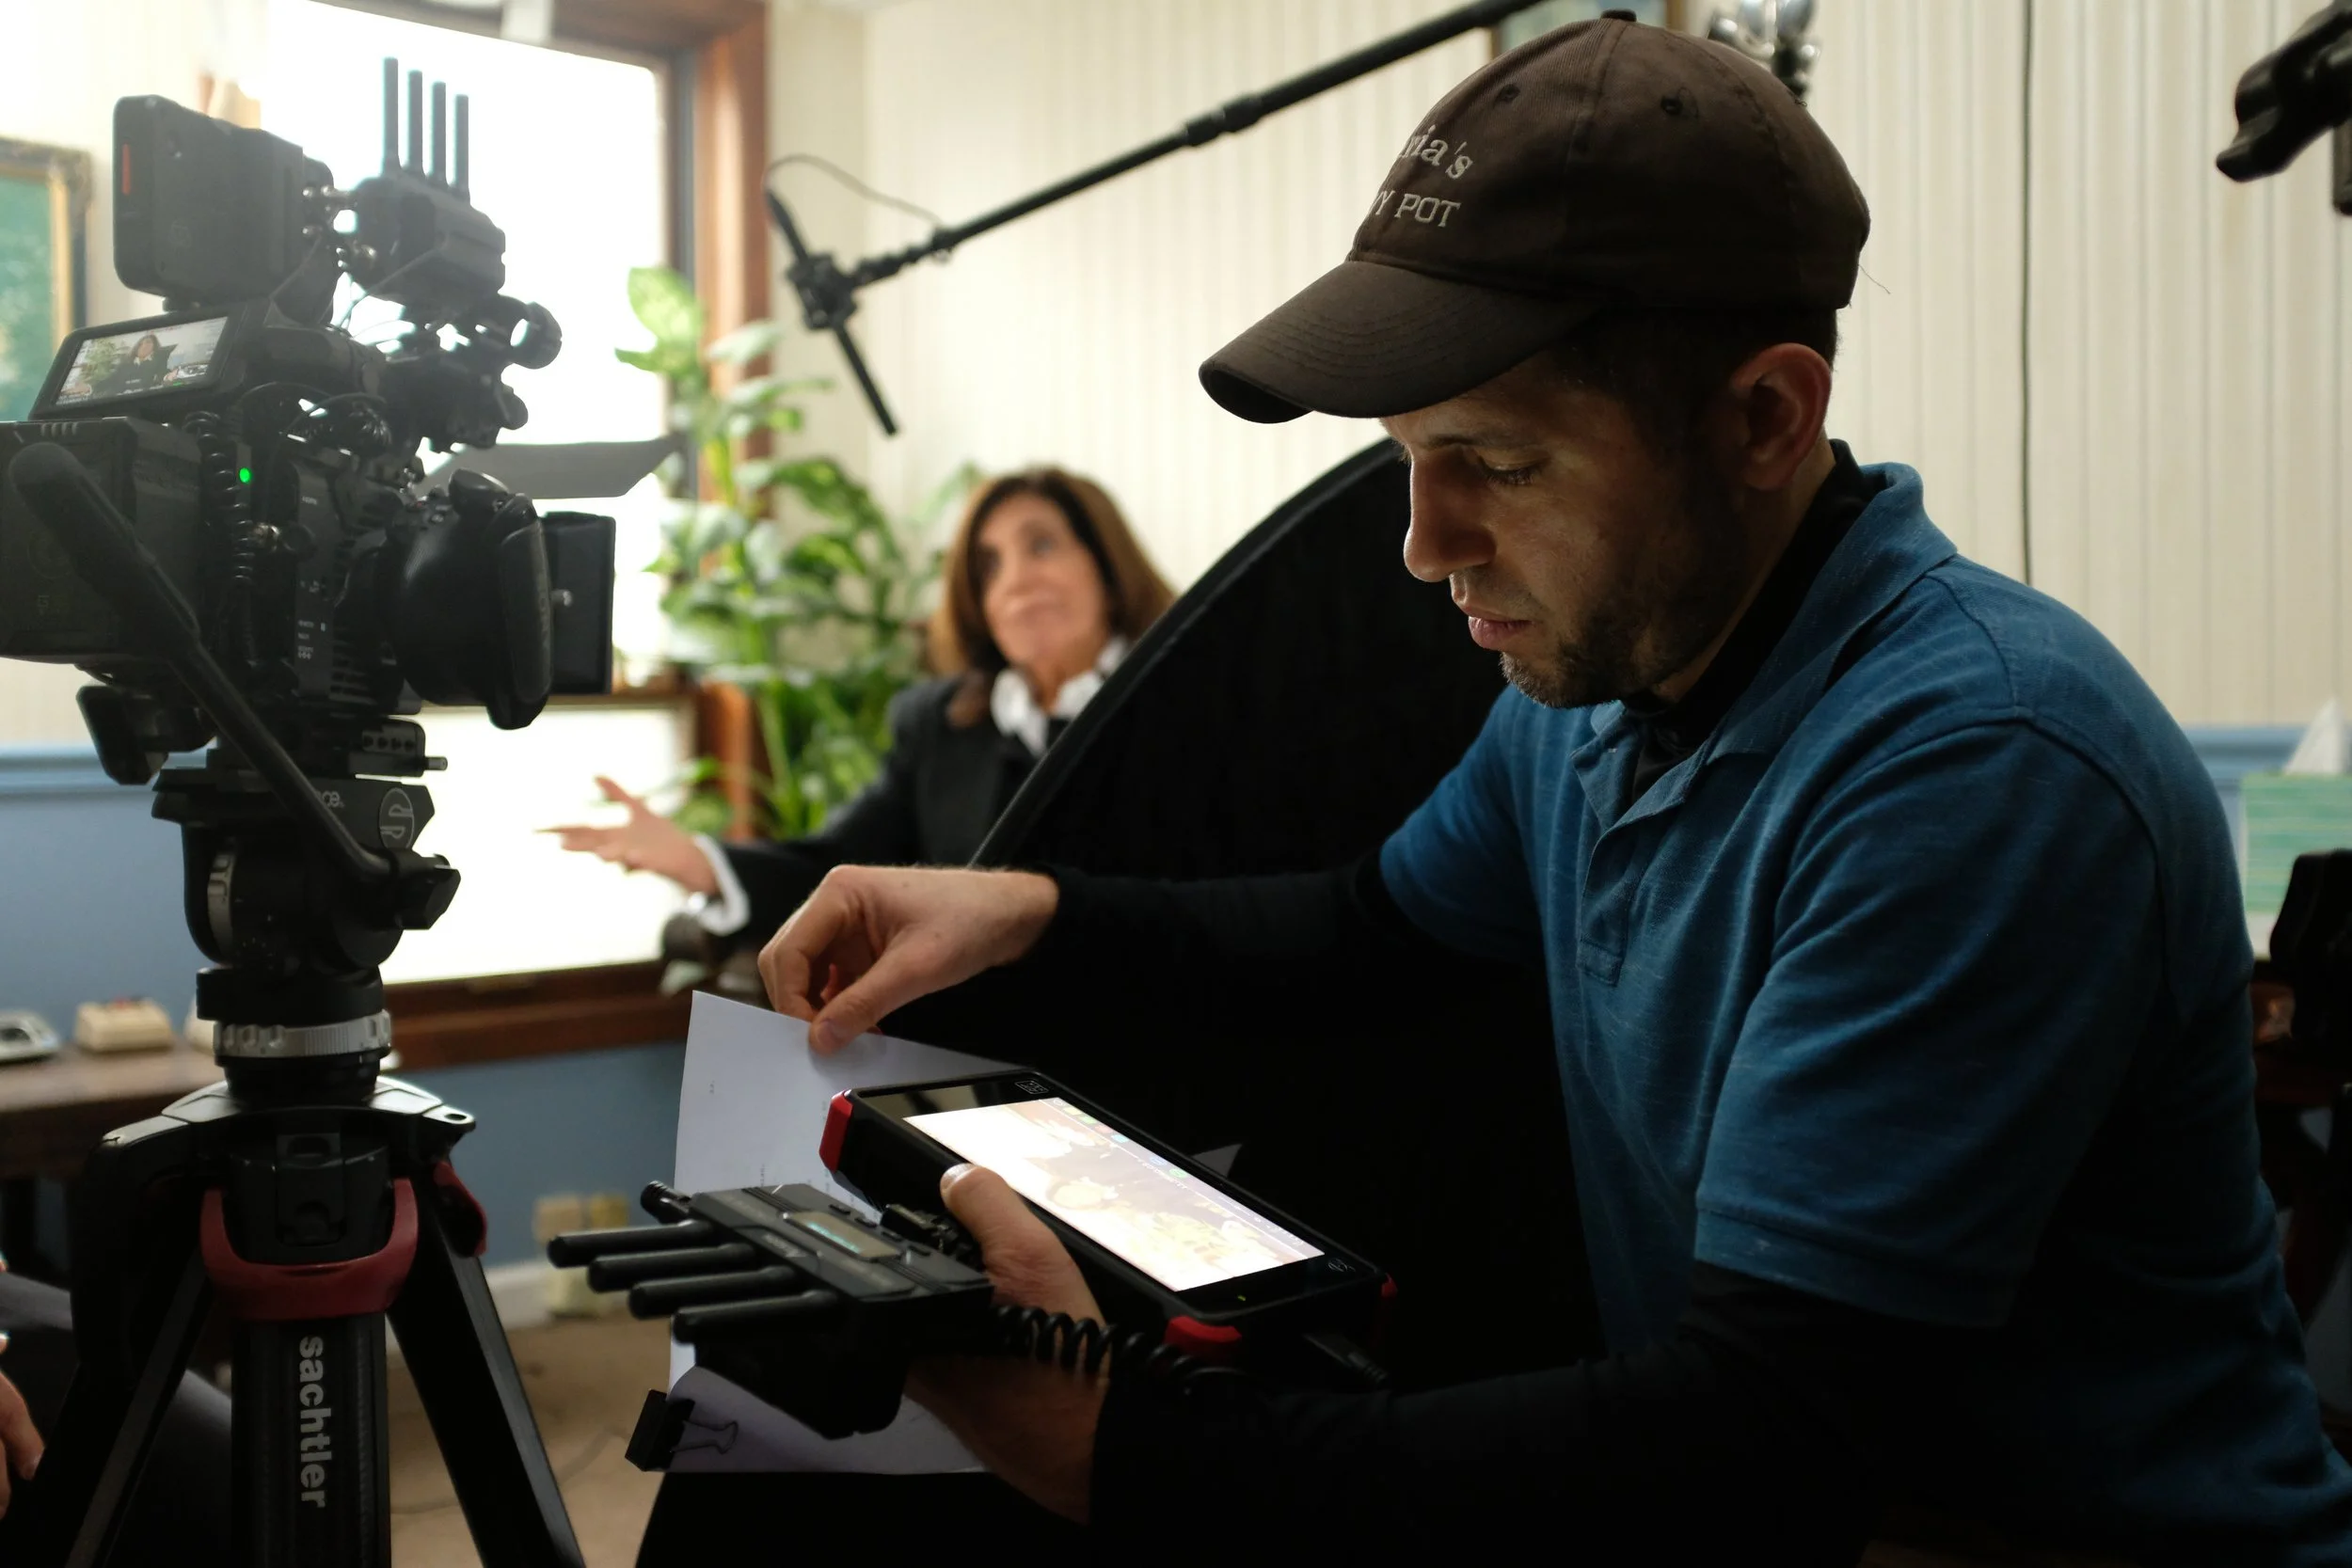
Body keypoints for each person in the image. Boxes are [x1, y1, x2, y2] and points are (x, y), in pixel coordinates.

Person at [751, 17, 2352, 1566]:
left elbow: (1760, 1440)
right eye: (1409, 456)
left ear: (1765, 418)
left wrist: (1115, 1447)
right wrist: (1021, 911)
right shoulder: (1598, 697)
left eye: (1500, 464)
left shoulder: (1972, 766)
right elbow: (1365, 934)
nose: (1425, 544)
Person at [549, 467, 1175, 946]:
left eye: (1040, 546)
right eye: (988, 566)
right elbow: (842, 866)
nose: (1014, 581)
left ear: (1107, 566)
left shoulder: (1184, 701)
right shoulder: (939, 722)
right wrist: (701, 862)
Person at [94, 333, 172, 398]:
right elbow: (111, 379)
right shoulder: (125, 364)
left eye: (148, 342)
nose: (143, 346)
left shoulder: (159, 361)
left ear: (155, 347)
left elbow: (164, 375)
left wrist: (168, 377)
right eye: (140, 344)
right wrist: (91, 388)